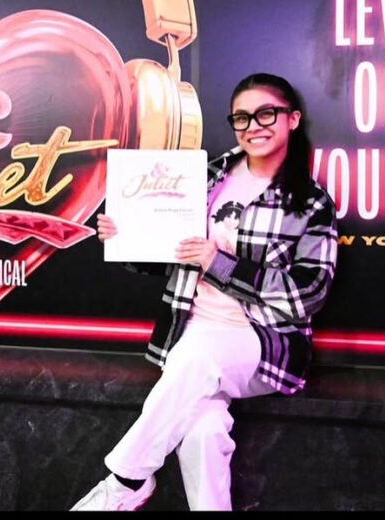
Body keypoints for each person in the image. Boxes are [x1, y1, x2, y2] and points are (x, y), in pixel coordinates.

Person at [70, 72, 338, 511]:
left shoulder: (309, 203)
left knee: (197, 359)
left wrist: (221, 262)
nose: (254, 126)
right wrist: (126, 237)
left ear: (292, 119)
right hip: (191, 327)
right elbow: (173, 255)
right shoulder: (208, 176)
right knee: (203, 430)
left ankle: (125, 480)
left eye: (266, 113)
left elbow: (309, 293)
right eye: (242, 118)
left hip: (262, 341)